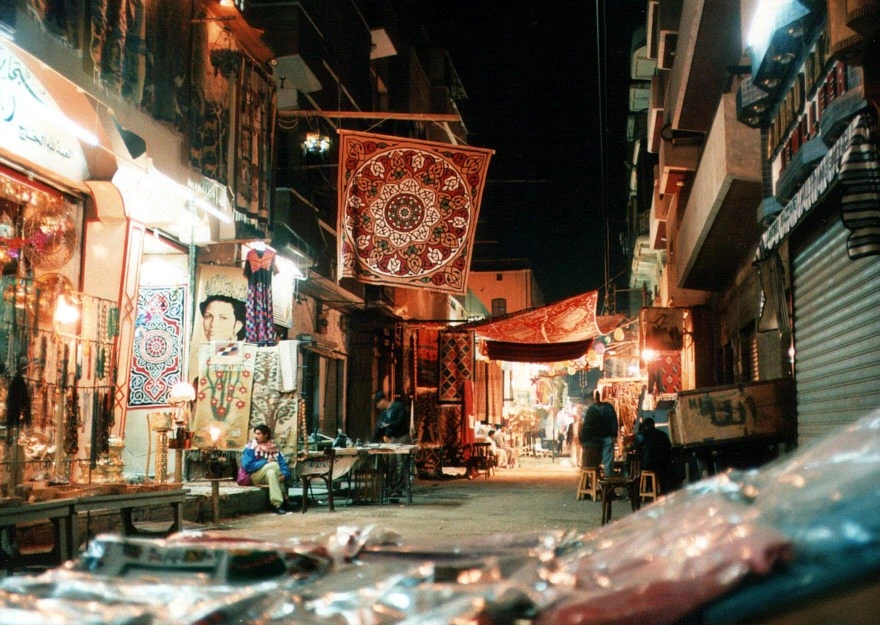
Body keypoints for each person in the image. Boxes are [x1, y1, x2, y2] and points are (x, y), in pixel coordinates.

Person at [240, 424, 291, 514]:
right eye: (255, 434)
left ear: (266, 435)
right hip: (253, 476)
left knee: (272, 473)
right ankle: (285, 496)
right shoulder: (250, 448)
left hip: (268, 476)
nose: (256, 436)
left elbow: (283, 465)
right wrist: (266, 462)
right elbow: (248, 467)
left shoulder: (273, 448)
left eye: (259, 434)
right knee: (273, 464)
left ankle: (277, 505)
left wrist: (284, 474)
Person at [373, 391, 412, 499]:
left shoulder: (398, 406)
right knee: (391, 464)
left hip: (402, 437)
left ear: (382, 400)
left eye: (377, 404)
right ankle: (392, 488)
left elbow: (401, 421)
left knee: (400, 463)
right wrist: (372, 441)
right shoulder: (384, 414)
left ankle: (398, 489)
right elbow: (379, 429)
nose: (377, 407)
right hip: (392, 440)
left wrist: (390, 425)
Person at [633, 417, 673, 493]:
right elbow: (669, 448)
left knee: (639, 467)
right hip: (663, 465)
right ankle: (663, 492)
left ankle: (644, 491)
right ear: (654, 425)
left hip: (648, 465)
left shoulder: (640, 436)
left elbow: (636, 449)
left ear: (644, 426)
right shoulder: (663, 435)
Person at [595, 389, 619, 476]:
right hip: (608, 437)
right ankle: (608, 479)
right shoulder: (608, 407)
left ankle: (606, 481)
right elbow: (614, 421)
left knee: (603, 459)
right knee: (608, 459)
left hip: (603, 438)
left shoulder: (595, 409)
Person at [579, 396, 605, 470]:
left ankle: (587, 480)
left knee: (587, 467)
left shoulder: (588, 422)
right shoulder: (599, 416)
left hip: (589, 447)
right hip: (598, 446)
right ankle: (593, 479)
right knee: (594, 467)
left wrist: (582, 439)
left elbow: (584, 434)